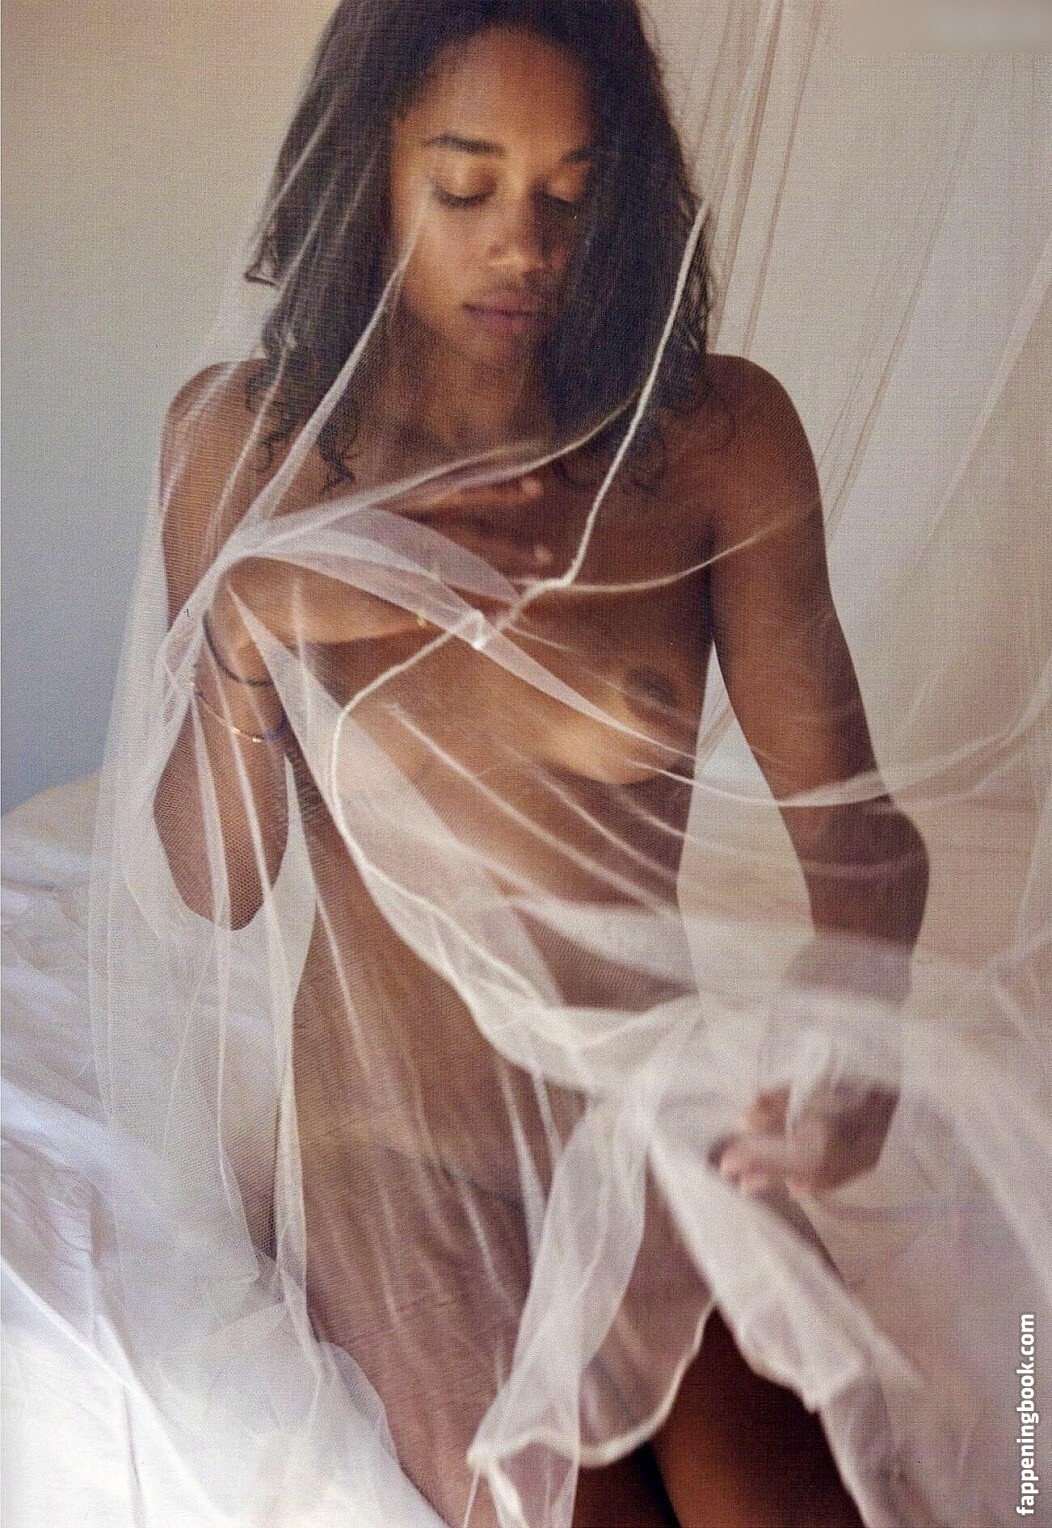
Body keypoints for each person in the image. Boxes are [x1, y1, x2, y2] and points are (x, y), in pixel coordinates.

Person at [146, 3, 935, 1525]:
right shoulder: (242, 445)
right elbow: (215, 886)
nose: (525, 245)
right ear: (367, 173)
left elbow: (861, 841)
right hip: (394, 1151)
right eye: (466, 186)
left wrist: (860, 1051)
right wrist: (243, 631)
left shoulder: (712, 442)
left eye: (571, 194)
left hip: (645, 1122)